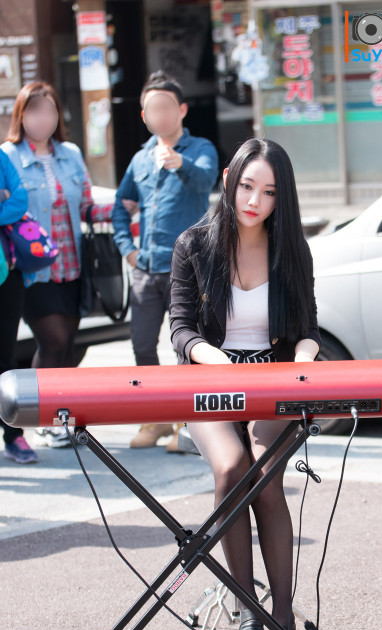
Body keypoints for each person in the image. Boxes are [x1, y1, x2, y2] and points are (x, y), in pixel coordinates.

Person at [169, 138, 320, 630]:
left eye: (270, 192)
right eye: (248, 185)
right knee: (232, 469)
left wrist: (303, 362)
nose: (254, 200)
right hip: (211, 379)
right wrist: (218, 363)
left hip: (273, 381)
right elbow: (181, 328)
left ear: (284, 198)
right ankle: (246, 621)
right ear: (230, 177)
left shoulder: (292, 249)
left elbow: (307, 330)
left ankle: (280, 619)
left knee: (266, 476)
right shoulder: (194, 244)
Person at [1, 81, 115, 448]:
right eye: (34, 110)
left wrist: (120, 208)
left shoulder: (70, 153)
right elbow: (13, 207)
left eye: (49, 110)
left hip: (72, 263)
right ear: (21, 115)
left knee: (67, 346)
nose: (43, 118)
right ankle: (41, 419)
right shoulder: (9, 155)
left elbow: (84, 205)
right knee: (53, 340)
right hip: (32, 266)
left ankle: (59, 417)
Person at [112, 71, 218, 450]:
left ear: (182, 109)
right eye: (152, 109)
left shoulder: (200, 148)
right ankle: (155, 416)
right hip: (146, 268)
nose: (159, 114)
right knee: (142, 345)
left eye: (166, 107)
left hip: (190, 269)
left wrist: (178, 163)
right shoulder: (140, 159)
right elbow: (119, 208)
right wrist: (127, 248)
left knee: (188, 345)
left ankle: (190, 424)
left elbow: (207, 181)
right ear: (144, 115)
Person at [0, 149, 38, 463]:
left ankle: (13, 435)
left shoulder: (1, 157)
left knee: (6, 357)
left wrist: (8, 199)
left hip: (6, 273)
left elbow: (20, 201)